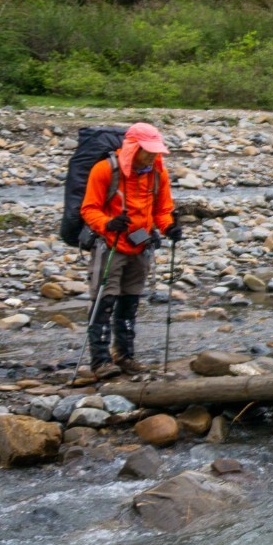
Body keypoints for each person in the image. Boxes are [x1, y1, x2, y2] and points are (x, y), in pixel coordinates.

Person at [81, 121, 178, 379]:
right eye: (148, 150)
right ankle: (100, 362)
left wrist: (169, 228)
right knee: (104, 300)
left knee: (130, 301)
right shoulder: (105, 170)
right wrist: (108, 223)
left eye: (156, 150)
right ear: (132, 147)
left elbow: (163, 210)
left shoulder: (158, 173)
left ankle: (125, 356)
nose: (153, 155)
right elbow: (89, 208)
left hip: (141, 245)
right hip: (110, 245)